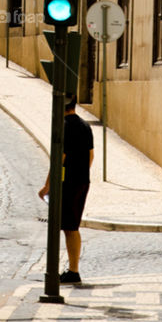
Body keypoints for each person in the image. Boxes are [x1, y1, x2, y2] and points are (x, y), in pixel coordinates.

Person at [38, 94, 94, 284]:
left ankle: (73, 271)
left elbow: (59, 159)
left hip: (67, 183)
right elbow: (90, 156)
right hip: (83, 181)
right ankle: (73, 269)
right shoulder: (85, 126)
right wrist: (81, 173)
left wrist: (47, 186)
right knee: (72, 226)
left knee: (68, 228)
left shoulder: (63, 127)